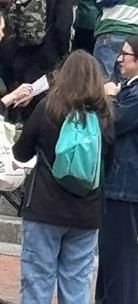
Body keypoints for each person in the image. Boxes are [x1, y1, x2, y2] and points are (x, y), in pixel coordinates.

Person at [12, 51, 113, 304]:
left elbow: (21, 153)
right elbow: (108, 165)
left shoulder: (48, 107)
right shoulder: (105, 116)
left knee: (37, 280)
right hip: (87, 212)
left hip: (45, 207)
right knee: (77, 281)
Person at [96, 34, 138, 304]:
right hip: (122, 179)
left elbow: (113, 125)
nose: (119, 60)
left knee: (120, 249)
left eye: (125, 55)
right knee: (111, 248)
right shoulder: (137, 89)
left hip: (127, 183)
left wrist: (110, 98)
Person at [3, 0, 77, 93]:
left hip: (22, 51)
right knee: (43, 105)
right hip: (47, 57)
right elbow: (63, 25)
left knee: (18, 99)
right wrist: (64, 54)